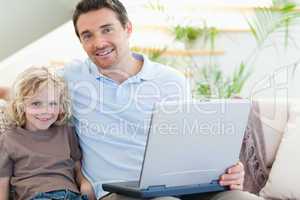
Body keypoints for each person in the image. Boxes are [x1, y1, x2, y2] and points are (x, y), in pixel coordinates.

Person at [0, 0, 263, 200]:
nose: (99, 42)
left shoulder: (171, 80)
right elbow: (27, 93)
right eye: (87, 35)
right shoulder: (70, 78)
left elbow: (192, 140)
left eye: (107, 29)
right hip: (117, 192)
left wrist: (228, 168)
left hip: (177, 185)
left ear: (127, 28)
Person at [0, 67, 96, 200]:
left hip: (71, 195)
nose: (45, 111)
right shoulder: (9, 138)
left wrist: (84, 183)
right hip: (35, 196)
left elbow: (76, 166)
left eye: (52, 104)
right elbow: (3, 179)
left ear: (61, 105)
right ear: (21, 105)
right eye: (36, 104)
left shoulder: (66, 131)